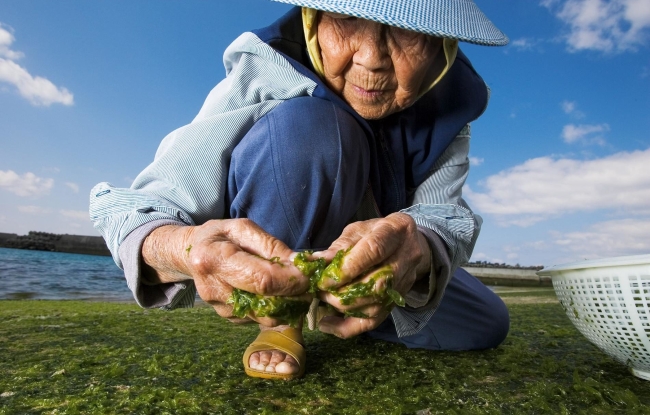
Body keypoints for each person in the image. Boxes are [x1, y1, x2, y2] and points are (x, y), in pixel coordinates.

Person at [90, 0, 511, 380]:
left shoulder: (450, 103)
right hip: (281, 246)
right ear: (313, 19)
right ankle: (282, 319)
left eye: (407, 32)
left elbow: (442, 212)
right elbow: (140, 209)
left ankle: (346, 306)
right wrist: (183, 247)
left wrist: (418, 249)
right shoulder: (265, 69)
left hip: (373, 267)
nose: (371, 58)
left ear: (443, 47)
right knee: (312, 130)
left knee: (486, 322)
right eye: (347, 19)